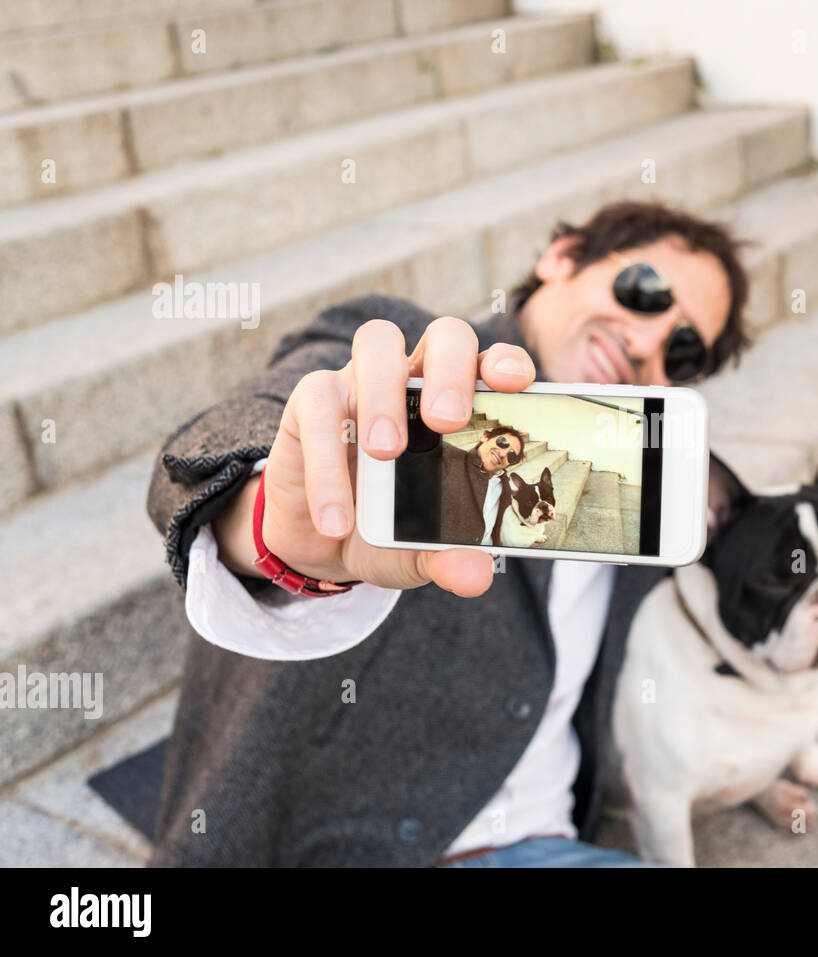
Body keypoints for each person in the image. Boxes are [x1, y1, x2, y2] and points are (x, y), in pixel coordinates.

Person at [145, 200, 751, 866]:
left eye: (683, 348)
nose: (646, 342)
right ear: (564, 256)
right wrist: (268, 522)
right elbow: (218, 444)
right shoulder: (399, 356)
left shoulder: (640, 500)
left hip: (545, 845)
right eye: (644, 292)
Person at [392, 425, 525, 547]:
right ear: (485, 436)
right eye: (502, 442)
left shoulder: (506, 486)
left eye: (511, 455)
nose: (503, 453)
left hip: (488, 560)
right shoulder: (448, 456)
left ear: (509, 464)